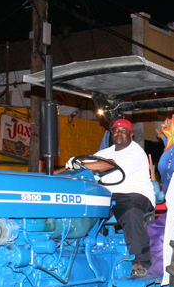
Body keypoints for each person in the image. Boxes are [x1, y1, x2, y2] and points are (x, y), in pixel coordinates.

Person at [67, 118, 156, 277]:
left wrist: (80, 165)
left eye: (123, 131)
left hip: (135, 194)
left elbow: (106, 165)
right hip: (108, 195)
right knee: (83, 211)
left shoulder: (135, 152)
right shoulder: (104, 153)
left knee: (131, 211)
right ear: (111, 133)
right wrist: (65, 169)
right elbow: (83, 166)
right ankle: (80, 253)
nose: (119, 133)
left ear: (131, 135)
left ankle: (141, 261)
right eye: (116, 130)